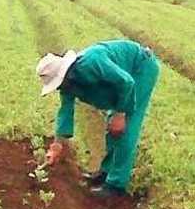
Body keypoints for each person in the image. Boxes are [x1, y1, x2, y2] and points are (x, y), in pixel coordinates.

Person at [37, 39, 160, 198]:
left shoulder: (92, 63)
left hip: (140, 69)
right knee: (112, 126)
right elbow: (65, 111)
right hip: (123, 79)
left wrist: (120, 114)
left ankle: (116, 185)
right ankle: (106, 172)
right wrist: (57, 145)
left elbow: (126, 82)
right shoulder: (68, 84)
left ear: (65, 74)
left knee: (126, 128)